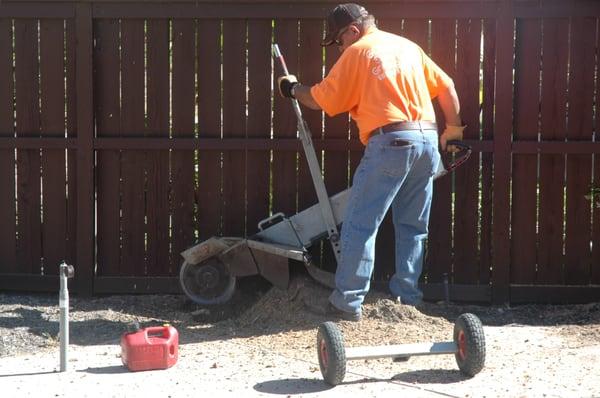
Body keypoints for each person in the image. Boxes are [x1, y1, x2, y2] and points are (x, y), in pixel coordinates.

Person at [277, 3, 464, 321]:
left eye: (339, 40)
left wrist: (292, 88)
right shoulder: (408, 47)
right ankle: (408, 301)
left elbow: (322, 98)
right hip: (427, 142)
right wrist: (455, 130)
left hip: (391, 142)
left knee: (361, 223)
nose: (340, 47)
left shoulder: (359, 51)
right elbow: (446, 85)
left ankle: (346, 303)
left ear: (353, 30)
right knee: (413, 226)